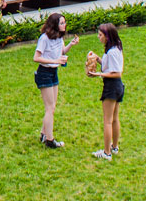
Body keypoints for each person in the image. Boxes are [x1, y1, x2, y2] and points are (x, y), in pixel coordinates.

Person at [31, 13, 78, 148]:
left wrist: (71, 44)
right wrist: (55, 61)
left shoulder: (59, 37)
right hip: (44, 72)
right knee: (49, 108)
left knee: (52, 107)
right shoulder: (44, 38)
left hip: (54, 72)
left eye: (64, 22)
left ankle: (43, 134)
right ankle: (50, 140)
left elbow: (62, 51)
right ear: (54, 25)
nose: (65, 25)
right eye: (62, 23)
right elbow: (36, 57)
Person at [86, 23, 125, 161]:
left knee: (108, 121)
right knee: (114, 119)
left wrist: (98, 74)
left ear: (107, 37)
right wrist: (98, 59)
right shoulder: (116, 48)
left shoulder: (112, 52)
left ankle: (107, 152)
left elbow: (116, 73)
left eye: (100, 35)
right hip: (117, 87)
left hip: (112, 87)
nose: (98, 37)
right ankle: (114, 147)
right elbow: (110, 66)